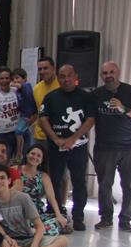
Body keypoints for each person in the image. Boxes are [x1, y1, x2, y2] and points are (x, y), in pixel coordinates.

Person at [91, 60, 131, 231]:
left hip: (130, 147)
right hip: (104, 147)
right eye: (105, 73)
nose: (108, 75)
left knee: (130, 185)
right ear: (101, 76)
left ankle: (125, 220)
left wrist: (124, 108)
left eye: (111, 72)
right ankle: (106, 218)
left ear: (118, 73)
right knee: (104, 184)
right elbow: (90, 118)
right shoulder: (96, 95)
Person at [39, 64, 95, 231]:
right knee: (54, 181)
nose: (66, 79)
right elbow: (43, 119)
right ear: (58, 78)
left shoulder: (86, 97)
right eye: (62, 76)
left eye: (69, 75)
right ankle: (55, 214)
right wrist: (55, 138)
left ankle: (78, 217)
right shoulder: (51, 97)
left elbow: (90, 120)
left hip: (78, 147)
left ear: (75, 76)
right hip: (56, 147)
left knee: (79, 182)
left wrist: (73, 139)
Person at [0, 164, 69, 247]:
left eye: (2, 178)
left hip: (28, 238)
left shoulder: (23, 197)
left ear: (9, 180)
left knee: (63, 240)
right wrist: (6, 238)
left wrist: (34, 246)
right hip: (10, 242)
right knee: (1, 245)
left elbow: (39, 226)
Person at [19, 143, 70, 235]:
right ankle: (36, 231)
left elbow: (51, 198)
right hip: (18, 211)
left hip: (36, 213)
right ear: (27, 154)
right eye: (32, 154)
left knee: (64, 218)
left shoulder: (43, 176)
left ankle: (33, 231)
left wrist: (58, 215)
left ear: (42, 160)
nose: (35, 157)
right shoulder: (16, 170)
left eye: (38, 156)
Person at [31, 56, 59, 151]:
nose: (42, 71)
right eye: (40, 69)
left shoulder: (62, 85)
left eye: (45, 68)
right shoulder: (36, 88)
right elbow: (37, 111)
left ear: (53, 68)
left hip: (58, 136)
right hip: (39, 137)